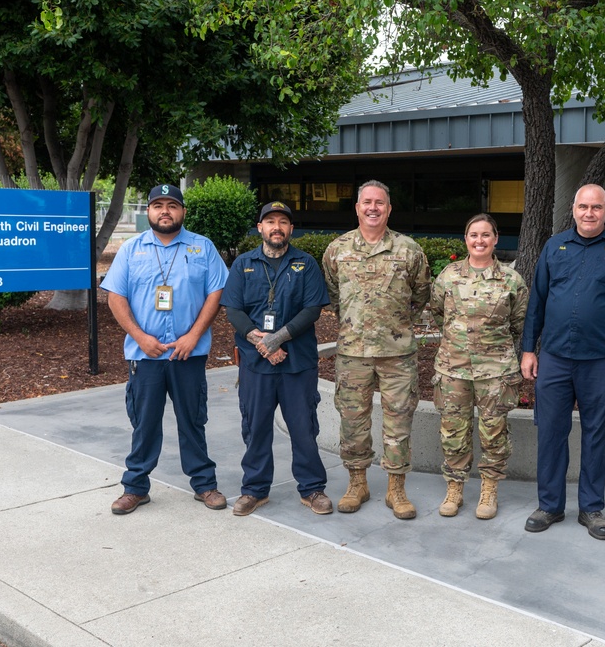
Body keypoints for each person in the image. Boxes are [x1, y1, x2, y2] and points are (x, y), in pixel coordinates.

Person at [520, 184, 605, 537]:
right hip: (555, 357)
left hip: (601, 360)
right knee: (551, 433)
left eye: (597, 207)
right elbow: (537, 301)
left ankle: (591, 508)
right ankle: (549, 505)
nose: (589, 213)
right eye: (583, 207)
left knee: (595, 435)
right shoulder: (554, 245)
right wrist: (529, 349)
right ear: (573, 209)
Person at [102, 184, 230, 515]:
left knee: (193, 420)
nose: (165, 211)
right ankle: (135, 488)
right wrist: (139, 336)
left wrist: (193, 336)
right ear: (148, 211)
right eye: (157, 205)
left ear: (182, 211)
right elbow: (115, 297)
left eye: (172, 205)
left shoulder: (203, 248)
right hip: (146, 355)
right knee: (144, 422)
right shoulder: (131, 250)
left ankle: (204, 484)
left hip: (189, 353)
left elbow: (216, 293)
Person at [321, 180, 432, 519]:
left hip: (397, 354)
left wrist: (394, 324)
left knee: (399, 422)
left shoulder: (408, 249)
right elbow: (335, 297)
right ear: (356, 208)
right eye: (366, 202)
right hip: (354, 353)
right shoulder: (336, 250)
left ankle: (396, 489)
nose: (373, 208)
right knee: (353, 422)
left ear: (389, 208)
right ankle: (358, 483)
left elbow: (421, 294)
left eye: (379, 202)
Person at [221, 201, 333, 517]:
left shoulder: (306, 264)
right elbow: (234, 310)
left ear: (290, 229)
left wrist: (277, 340)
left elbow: (312, 310)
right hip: (256, 364)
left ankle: (312, 489)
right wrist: (262, 342)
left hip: (297, 363)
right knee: (255, 427)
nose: (276, 227)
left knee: (303, 427)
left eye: (283, 222)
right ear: (260, 228)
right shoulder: (243, 263)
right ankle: (255, 490)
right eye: (270, 221)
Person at [429, 214, 528, 519]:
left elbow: (518, 323)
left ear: (496, 239)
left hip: (496, 371)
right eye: (473, 235)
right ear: (466, 239)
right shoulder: (448, 276)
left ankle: (489, 489)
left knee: (493, 433)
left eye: (486, 235)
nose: (479, 240)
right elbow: (437, 313)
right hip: (453, 369)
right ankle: (455, 488)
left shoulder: (511, 280)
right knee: (453, 432)